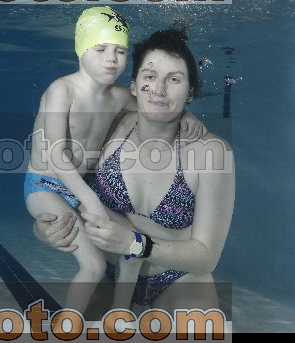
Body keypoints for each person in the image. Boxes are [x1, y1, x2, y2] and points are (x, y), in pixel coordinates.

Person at [33, 27, 235, 318]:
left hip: (176, 277)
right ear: (134, 85)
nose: (159, 90)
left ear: (190, 91)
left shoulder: (211, 152)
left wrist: (134, 244)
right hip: (111, 272)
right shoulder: (110, 128)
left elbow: (206, 257)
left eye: (174, 79)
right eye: (149, 76)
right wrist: (44, 229)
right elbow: (63, 188)